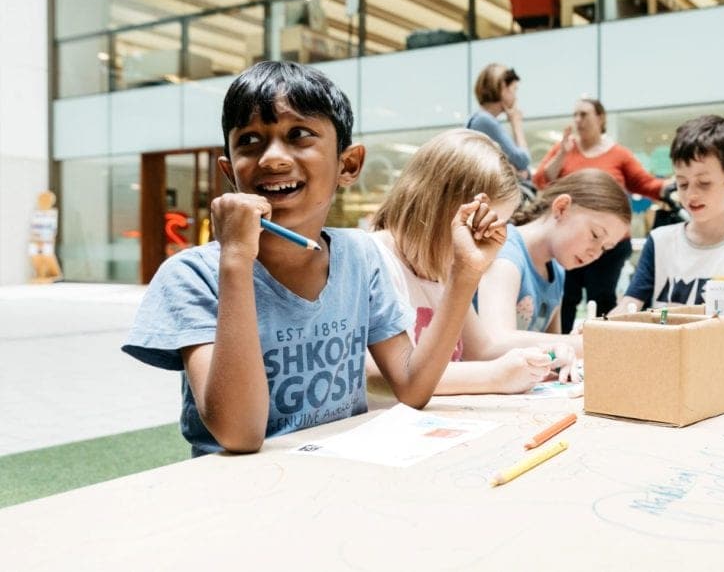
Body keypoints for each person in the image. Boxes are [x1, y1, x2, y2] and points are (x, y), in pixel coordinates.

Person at [122, 61, 505, 456]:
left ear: (348, 164)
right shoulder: (193, 275)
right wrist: (235, 258)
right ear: (229, 170)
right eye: (250, 141)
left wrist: (464, 273)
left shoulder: (360, 255)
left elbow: (411, 386)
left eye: (299, 135)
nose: (272, 158)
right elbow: (238, 435)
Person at [370, 129, 576, 394]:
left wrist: (543, 354)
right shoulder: (373, 258)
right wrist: (493, 376)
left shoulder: (443, 270)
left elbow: (482, 349)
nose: (482, 239)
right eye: (479, 226)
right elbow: (379, 375)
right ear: (443, 206)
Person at [612, 115, 724, 312]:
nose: (691, 194)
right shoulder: (660, 240)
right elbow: (629, 306)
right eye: (682, 184)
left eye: (704, 183)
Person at [534, 98, 672, 331]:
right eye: (575, 115)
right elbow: (541, 180)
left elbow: (645, 184)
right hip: (571, 235)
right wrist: (562, 154)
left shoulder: (619, 154)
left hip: (609, 243)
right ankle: (564, 345)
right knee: (566, 297)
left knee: (602, 295)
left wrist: (682, 185)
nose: (578, 120)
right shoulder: (564, 148)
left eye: (584, 114)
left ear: (601, 118)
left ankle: (605, 342)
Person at [476, 169, 632, 354]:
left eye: (605, 248)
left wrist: (568, 347)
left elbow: (554, 352)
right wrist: (585, 343)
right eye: (595, 235)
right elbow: (495, 340)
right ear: (562, 208)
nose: (595, 254)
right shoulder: (505, 252)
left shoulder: (557, 269)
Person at [466, 64, 531, 178]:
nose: (516, 97)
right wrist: (516, 124)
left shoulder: (480, 119)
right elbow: (522, 161)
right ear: (503, 88)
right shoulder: (485, 121)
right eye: (514, 89)